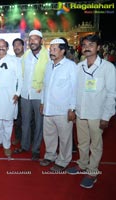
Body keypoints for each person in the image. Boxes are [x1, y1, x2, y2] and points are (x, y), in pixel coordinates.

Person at [66, 34, 116, 189]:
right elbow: (73, 90)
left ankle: (93, 172)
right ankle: (82, 163)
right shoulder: (79, 66)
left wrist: (106, 116)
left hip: (97, 113)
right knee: (82, 142)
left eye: (91, 45)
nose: (87, 48)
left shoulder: (107, 67)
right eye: (85, 45)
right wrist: (72, 108)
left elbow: (111, 93)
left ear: (98, 48)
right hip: (81, 112)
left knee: (96, 144)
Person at [39, 38, 77, 172]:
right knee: (49, 135)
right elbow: (45, 86)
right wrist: (43, 102)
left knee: (65, 137)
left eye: (55, 49)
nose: (51, 51)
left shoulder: (71, 66)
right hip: (48, 108)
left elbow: (74, 88)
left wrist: (72, 108)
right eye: (51, 49)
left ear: (63, 51)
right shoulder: (49, 65)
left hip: (63, 110)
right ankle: (50, 155)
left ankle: (63, 160)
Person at [14, 30, 50, 161]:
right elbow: (21, 75)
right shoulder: (26, 55)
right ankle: (24, 145)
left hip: (39, 95)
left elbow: (48, 79)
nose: (32, 41)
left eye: (35, 39)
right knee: (25, 122)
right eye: (30, 39)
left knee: (39, 124)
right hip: (25, 94)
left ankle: (35, 149)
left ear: (41, 40)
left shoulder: (47, 56)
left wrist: (44, 98)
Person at [0, 39, 23, 157]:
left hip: (10, 96)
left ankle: (6, 145)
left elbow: (20, 78)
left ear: (8, 48)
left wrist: (17, 93)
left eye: (4, 46)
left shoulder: (15, 60)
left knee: (8, 121)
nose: (1, 48)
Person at [12, 38, 25, 145]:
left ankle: (28, 138)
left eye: (19, 45)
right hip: (14, 93)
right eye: (15, 45)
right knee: (16, 117)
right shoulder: (11, 60)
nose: (17, 47)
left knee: (28, 117)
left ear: (23, 46)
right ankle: (17, 137)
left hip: (26, 92)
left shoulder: (28, 58)